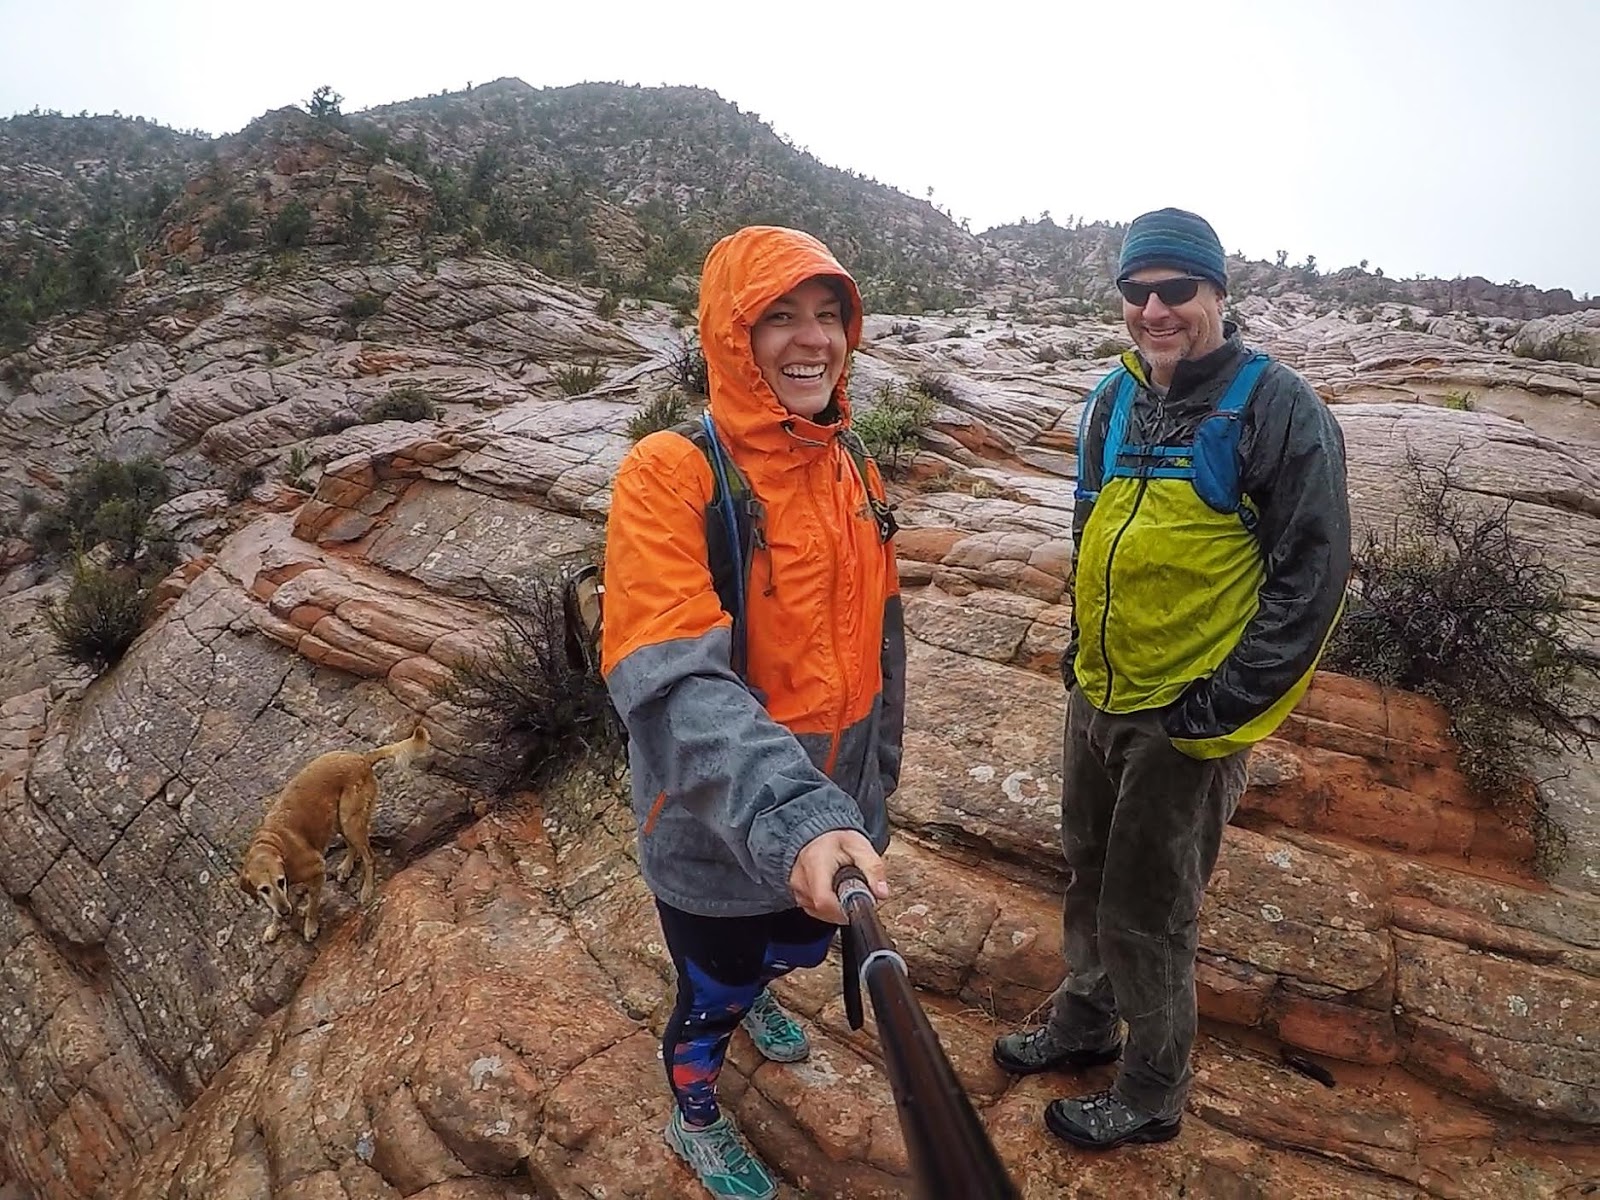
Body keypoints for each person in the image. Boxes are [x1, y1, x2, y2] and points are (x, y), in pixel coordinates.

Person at [992, 207, 1351, 1150]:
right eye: (1137, 292)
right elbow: (1089, 525)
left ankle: (1152, 1091)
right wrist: (1081, 654)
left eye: (1177, 291)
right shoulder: (1114, 400)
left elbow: (1311, 579)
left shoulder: (1274, 406)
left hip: (1184, 716)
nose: (1155, 310)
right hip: (1101, 692)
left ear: (1218, 295)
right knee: (1090, 871)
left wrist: (1219, 709)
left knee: (1149, 910)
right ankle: (1083, 1023)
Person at [601, 225, 904, 1199]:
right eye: (779, 316)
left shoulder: (851, 464)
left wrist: (870, 799)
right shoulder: (670, 472)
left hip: (826, 824)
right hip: (711, 839)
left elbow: (882, 656)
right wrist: (798, 817)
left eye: (827, 315)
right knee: (711, 994)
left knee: (790, 951)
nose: (811, 338)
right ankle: (695, 1114)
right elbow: (673, 681)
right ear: (732, 336)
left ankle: (758, 1001)